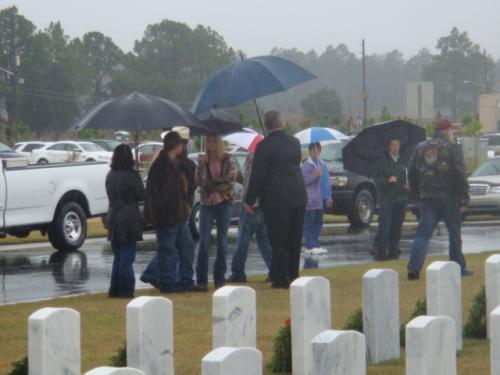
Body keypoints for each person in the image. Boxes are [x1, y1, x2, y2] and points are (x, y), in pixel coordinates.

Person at [245, 110, 307, 289]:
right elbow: (295, 163)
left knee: (278, 240)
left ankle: (281, 278)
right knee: (294, 238)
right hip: (297, 195)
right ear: (281, 123)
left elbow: (258, 176)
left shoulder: (263, 147)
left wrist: (249, 200)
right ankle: (293, 274)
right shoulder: (294, 143)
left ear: (266, 125)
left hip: (276, 199)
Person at [407, 118, 473, 280]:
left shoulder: (420, 148)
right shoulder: (452, 148)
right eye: (451, 130)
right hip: (450, 198)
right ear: (446, 131)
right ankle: (458, 266)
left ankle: (414, 269)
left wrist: (417, 194)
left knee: (423, 234)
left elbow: (411, 173)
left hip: (428, 198)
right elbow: (459, 173)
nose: (452, 133)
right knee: (454, 234)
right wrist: (464, 196)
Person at [140, 127, 196, 288]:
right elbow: (159, 193)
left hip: (179, 215)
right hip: (167, 216)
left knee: (187, 246)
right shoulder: (160, 165)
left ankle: (186, 281)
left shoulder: (176, 163)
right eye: (181, 144)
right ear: (176, 145)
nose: (182, 147)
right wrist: (167, 209)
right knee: (168, 251)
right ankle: (167, 283)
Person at [195, 132, 237, 290]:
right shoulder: (203, 160)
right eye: (208, 142)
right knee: (204, 242)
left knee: (222, 243)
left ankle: (220, 278)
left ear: (218, 143)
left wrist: (210, 185)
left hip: (224, 202)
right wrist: (200, 165)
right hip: (207, 203)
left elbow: (229, 182)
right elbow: (199, 182)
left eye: (213, 141)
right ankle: (201, 280)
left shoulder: (227, 159)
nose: (210, 144)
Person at [227, 142, 272, 283]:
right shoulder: (267, 157)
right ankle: (274, 268)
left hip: (251, 204)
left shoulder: (253, 157)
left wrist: (248, 201)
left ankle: (238, 272)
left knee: (243, 240)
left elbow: (251, 181)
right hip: (263, 204)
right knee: (264, 240)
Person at [105, 144, 145, 298]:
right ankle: (126, 290)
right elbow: (141, 195)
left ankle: (114, 289)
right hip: (128, 217)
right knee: (127, 257)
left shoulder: (110, 175)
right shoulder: (131, 175)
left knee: (118, 255)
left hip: (113, 215)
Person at [372, 138, 409, 261]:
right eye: (393, 145)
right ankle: (380, 249)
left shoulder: (403, 161)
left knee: (397, 225)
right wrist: (387, 181)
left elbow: (407, 178)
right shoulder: (382, 161)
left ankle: (394, 247)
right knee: (385, 225)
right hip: (386, 199)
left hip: (401, 198)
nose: (395, 147)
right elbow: (377, 179)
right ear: (389, 147)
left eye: (397, 145)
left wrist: (408, 186)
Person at [301, 142, 331, 255]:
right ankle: (310, 245)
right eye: (313, 149)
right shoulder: (306, 166)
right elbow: (303, 181)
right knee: (309, 223)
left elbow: (327, 181)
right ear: (309, 151)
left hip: (321, 199)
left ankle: (315, 244)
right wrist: (315, 176)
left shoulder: (322, 164)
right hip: (311, 200)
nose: (316, 151)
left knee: (318, 222)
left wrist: (329, 196)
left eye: (317, 149)